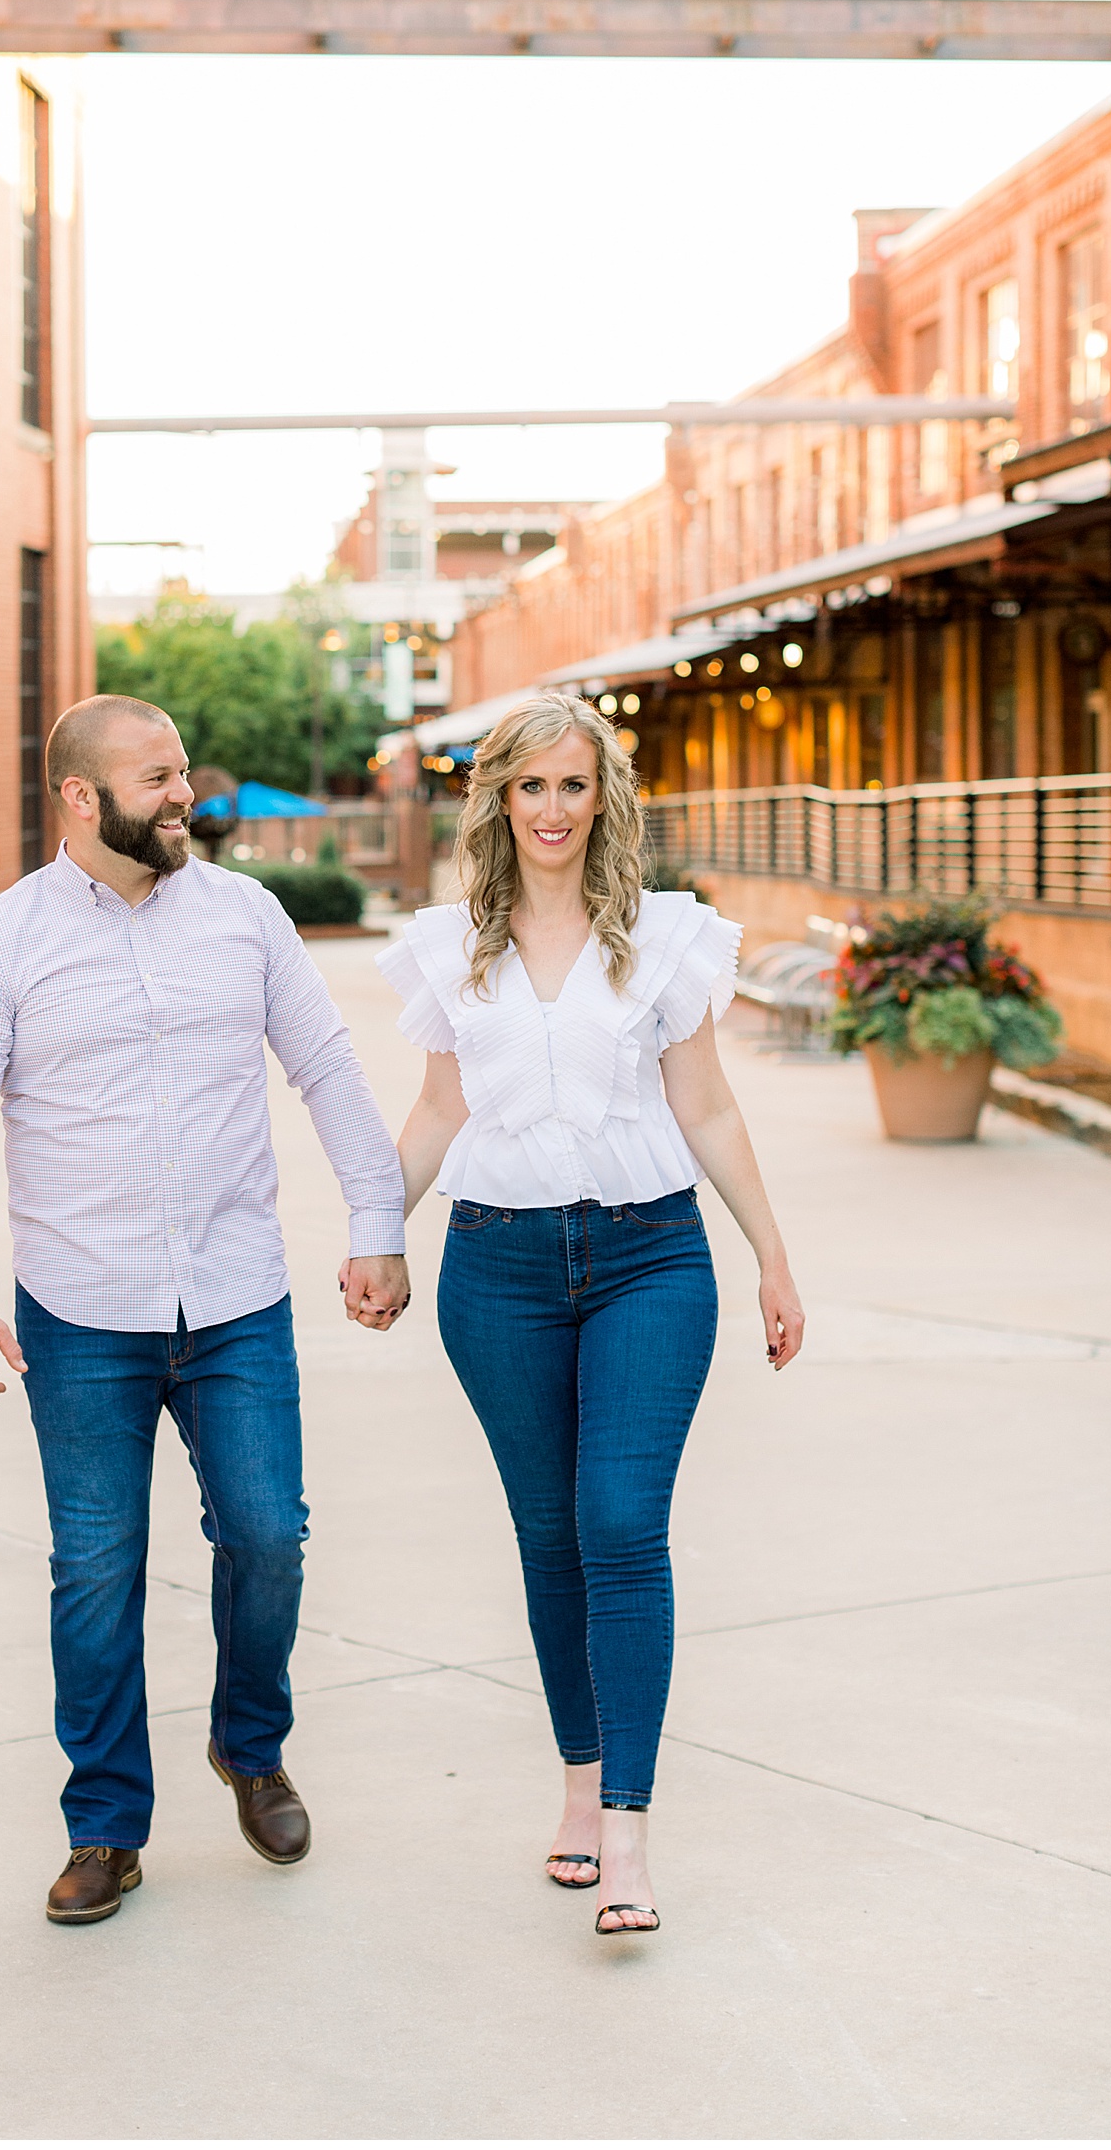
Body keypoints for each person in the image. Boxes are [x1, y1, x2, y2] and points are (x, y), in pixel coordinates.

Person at [0, 695, 409, 1927]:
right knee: (95, 1569)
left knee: (269, 1532)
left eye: (184, 770)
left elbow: (328, 1067)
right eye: (158, 777)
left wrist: (377, 1220)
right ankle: (104, 1827)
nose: (185, 794)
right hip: (81, 1310)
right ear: (82, 798)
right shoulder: (1, 942)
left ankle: (251, 1741)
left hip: (237, 1293)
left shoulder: (246, 915)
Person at [378, 690, 803, 1938]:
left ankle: (627, 1832)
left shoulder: (663, 940)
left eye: (575, 786)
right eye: (532, 787)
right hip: (497, 1268)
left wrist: (772, 1254)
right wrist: (371, 1229)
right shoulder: (450, 947)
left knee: (619, 1521)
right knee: (548, 1533)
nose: (554, 810)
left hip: (649, 1259)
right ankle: (575, 1782)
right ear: (498, 800)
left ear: (603, 797)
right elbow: (437, 1113)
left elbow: (710, 1108)